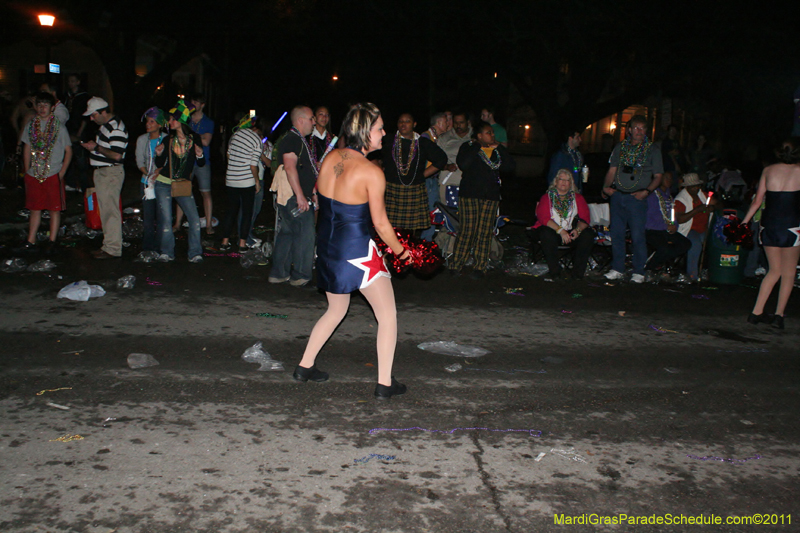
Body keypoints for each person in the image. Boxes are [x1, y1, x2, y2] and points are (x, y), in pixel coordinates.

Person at [294, 102, 411, 399]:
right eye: (380, 128)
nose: (385, 133)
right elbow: (381, 224)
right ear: (364, 132)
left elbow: (320, 199)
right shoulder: (371, 172)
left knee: (336, 309)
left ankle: (304, 366)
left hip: (329, 246)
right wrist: (401, 252)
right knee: (388, 315)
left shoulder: (331, 158)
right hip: (359, 252)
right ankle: (385, 383)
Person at [742, 140, 800, 330]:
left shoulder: (768, 170)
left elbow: (757, 201)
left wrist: (745, 222)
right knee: (789, 272)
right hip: (792, 226)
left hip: (769, 225)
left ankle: (756, 312)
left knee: (774, 270)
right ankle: (778, 315)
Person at [450, 120, 515, 278]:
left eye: (492, 133)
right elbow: (463, 164)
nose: (492, 135)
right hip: (470, 194)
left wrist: (499, 147)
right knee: (467, 230)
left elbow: (510, 167)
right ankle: (456, 264)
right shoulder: (469, 147)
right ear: (479, 135)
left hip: (490, 196)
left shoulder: (497, 150)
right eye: (489, 133)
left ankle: (480, 266)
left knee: (484, 232)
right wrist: (478, 145)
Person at [602, 115, 663, 283]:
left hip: (637, 198)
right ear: (629, 129)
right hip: (618, 196)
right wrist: (605, 187)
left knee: (637, 235)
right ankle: (617, 268)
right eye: (636, 128)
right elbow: (612, 170)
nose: (639, 132)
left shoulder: (652, 149)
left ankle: (639, 271)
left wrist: (647, 191)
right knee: (617, 233)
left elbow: (658, 176)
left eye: (643, 129)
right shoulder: (620, 147)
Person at [15, 92, 72, 253]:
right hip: (34, 173)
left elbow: (69, 150)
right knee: (35, 208)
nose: (42, 108)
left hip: (53, 172)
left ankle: (52, 240)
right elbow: (27, 147)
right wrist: (27, 170)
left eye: (45, 105)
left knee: (54, 208)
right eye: (39, 105)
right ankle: (31, 240)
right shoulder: (32, 124)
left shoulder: (59, 127)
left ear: (52, 108)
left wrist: (62, 172)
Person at [269, 106, 318, 286]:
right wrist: (300, 196)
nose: (314, 122)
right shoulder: (292, 139)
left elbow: (304, 170)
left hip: (293, 196)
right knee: (306, 234)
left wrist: (311, 193)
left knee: (288, 233)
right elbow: (289, 167)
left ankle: (279, 273)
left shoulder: (298, 140)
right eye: (312, 118)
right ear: (301, 120)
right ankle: (301, 276)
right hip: (293, 197)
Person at [152, 100, 206, 263]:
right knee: (167, 221)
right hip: (163, 183)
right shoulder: (168, 139)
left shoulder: (193, 139)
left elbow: (201, 164)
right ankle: (167, 252)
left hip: (182, 184)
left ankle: (195, 253)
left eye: (172, 119)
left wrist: (199, 155)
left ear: (180, 121)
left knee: (194, 220)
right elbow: (160, 165)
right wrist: (159, 154)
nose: (169, 122)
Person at [381, 113, 446, 236]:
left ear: (414, 124)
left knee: (411, 233)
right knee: (391, 230)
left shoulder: (422, 143)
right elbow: (373, 155)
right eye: (400, 121)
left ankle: (411, 253)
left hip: (414, 190)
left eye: (407, 121)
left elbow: (441, 159)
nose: (403, 124)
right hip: (392, 191)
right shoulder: (388, 140)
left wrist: (422, 175)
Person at [81, 97, 128, 259]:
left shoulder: (115, 128)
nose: (91, 119)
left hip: (110, 172)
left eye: (93, 115)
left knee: (110, 211)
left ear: (103, 112)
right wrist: (94, 149)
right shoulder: (106, 127)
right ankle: (108, 245)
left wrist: (96, 147)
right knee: (106, 210)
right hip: (104, 172)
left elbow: (116, 155)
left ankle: (113, 248)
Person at [533, 168, 594, 280]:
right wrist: (560, 231)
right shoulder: (547, 197)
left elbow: (585, 218)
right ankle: (555, 272)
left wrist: (578, 230)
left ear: (571, 183)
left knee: (588, 234)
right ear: (556, 181)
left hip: (569, 230)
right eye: (561, 179)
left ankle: (577, 274)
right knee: (547, 234)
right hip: (552, 229)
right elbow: (543, 218)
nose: (564, 182)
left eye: (567, 180)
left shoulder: (578, 198)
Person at [219, 115, 265, 252]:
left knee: (231, 211)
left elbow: (228, 155)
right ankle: (242, 244)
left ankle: (224, 242)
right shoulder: (257, 141)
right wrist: (257, 181)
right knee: (246, 212)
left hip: (231, 178)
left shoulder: (236, 134)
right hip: (246, 181)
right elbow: (253, 165)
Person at [175, 94, 215, 235]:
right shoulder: (186, 119)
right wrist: (198, 136)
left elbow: (206, 142)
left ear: (202, 104)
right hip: (186, 160)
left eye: (196, 102)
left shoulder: (208, 122)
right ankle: (177, 223)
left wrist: (190, 135)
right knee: (182, 191)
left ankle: (209, 224)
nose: (193, 104)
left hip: (202, 161)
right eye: (191, 102)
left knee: (205, 192)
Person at [134, 107, 167, 261]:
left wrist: (158, 173)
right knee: (148, 217)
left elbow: (168, 161)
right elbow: (139, 160)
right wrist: (148, 173)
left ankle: (161, 247)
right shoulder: (142, 139)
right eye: (147, 121)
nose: (148, 125)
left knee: (162, 217)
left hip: (162, 182)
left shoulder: (166, 139)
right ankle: (148, 247)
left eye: (152, 122)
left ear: (159, 124)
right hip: (147, 182)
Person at [644, 172, 691, 273]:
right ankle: (650, 268)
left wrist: (674, 226)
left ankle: (659, 263)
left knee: (685, 244)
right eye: (666, 178)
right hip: (653, 229)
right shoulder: (652, 195)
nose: (669, 181)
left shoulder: (669, 196)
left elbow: (672, 214)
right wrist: (666, 226)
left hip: (667, 230)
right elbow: (649, 217)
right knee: (665, 248)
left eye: (670, 179)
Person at [674, 173, 715, 281]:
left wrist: (712, 207)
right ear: (686, 187)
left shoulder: (703, 195)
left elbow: (717, 204)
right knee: (695, 244)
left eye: (698, 186)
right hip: (688, 229)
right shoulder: (680, 200)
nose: (696, 188)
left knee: (714, 242)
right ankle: (692, 275)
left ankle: (711, 272)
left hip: (704, 229)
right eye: (693, 186)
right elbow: (680, 219)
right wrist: (697, 210)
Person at [420, 112, 449, 241]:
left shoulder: (435, 137)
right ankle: (426, 244)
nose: (448, 125)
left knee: (432, 212)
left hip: (430, 179)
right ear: (439, 123)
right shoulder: (426, 137)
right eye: (446, 122)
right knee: (431, 212)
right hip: (427, 180)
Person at [436, 111, 472, 203]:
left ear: (468, 122)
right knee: (448, 212)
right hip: (449, 180)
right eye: (456, 123)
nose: (458, 126)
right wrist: (446, 166)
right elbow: (435, 160)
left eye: (461, 123)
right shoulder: (445, 138)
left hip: (470, 183)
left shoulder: (475, 136)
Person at [64, 74, 90, 192]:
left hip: (78, 130)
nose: (71, 83)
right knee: (68, 156)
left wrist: (80, 132)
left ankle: (84, 185)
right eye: (69, 81)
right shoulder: (67, 96)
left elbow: (85, 116)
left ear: (78, 82)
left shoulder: (83, 97)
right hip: (68, 130)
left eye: (73, 81)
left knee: (80, 159)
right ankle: (71, 183)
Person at [547, 129, 585, 193]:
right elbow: (553, 175)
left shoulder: (577, 155)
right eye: (577, 137)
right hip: (563, 193)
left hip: (575, 192)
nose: (580, 140)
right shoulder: (561, 155)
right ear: (570, 138)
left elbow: (577, 172)